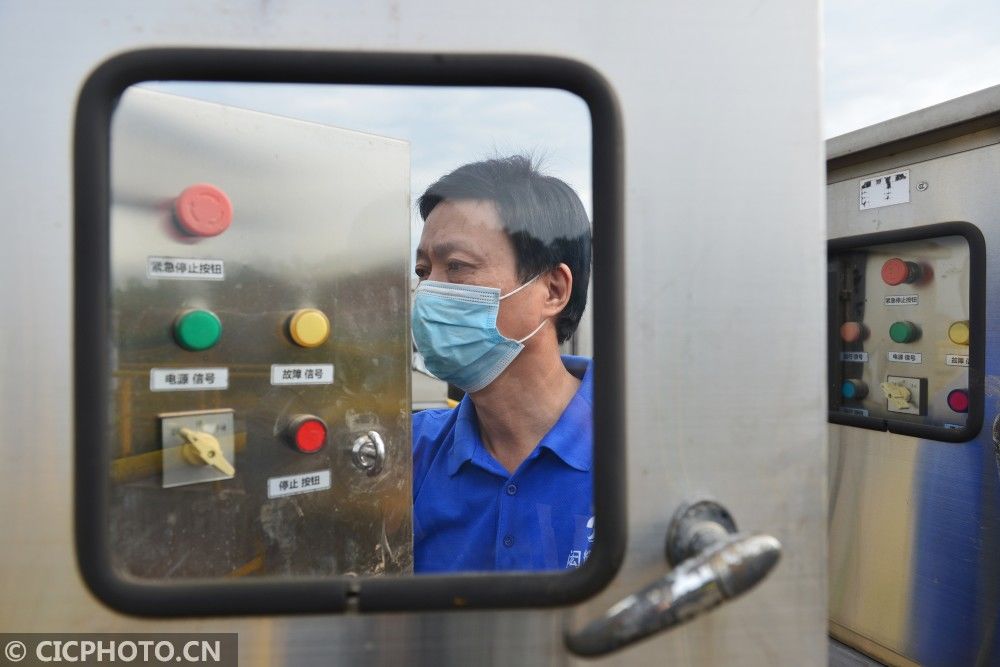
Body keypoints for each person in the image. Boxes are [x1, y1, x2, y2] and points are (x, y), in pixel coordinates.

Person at [411, 155, 593, 572]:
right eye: (423, 271)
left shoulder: (634, 449)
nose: (428, 293)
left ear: (553, 289)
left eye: (456, 266)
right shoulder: (409, 455)